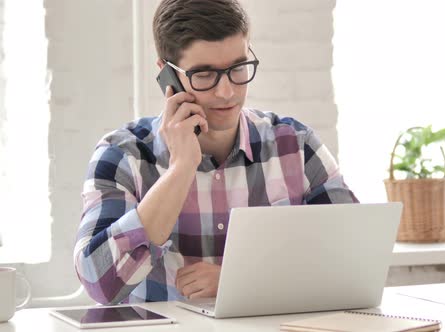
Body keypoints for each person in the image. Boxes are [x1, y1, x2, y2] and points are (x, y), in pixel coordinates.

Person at [74, 0, 358, 305]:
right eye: (205, 74)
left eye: (238, 68)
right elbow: (100, 284)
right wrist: (181, 169)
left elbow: (354, 261)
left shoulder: (296, 146)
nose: (227, 92)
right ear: (166, 74)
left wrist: (239, 279)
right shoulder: (122, 155)